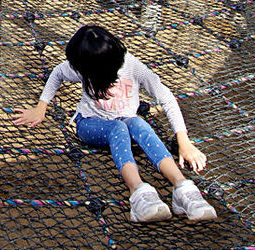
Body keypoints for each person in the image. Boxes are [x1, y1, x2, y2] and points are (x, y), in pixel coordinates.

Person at [13, 24, 218, 223]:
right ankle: (137, 191)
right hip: (89, 124)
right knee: (118, 128)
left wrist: (184, 141)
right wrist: (41, 107)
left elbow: (166, 97)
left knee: (138, 123)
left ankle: (182, 187)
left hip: (126, 121)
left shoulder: (131, 66)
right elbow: (58, 72)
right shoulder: (87, 67)